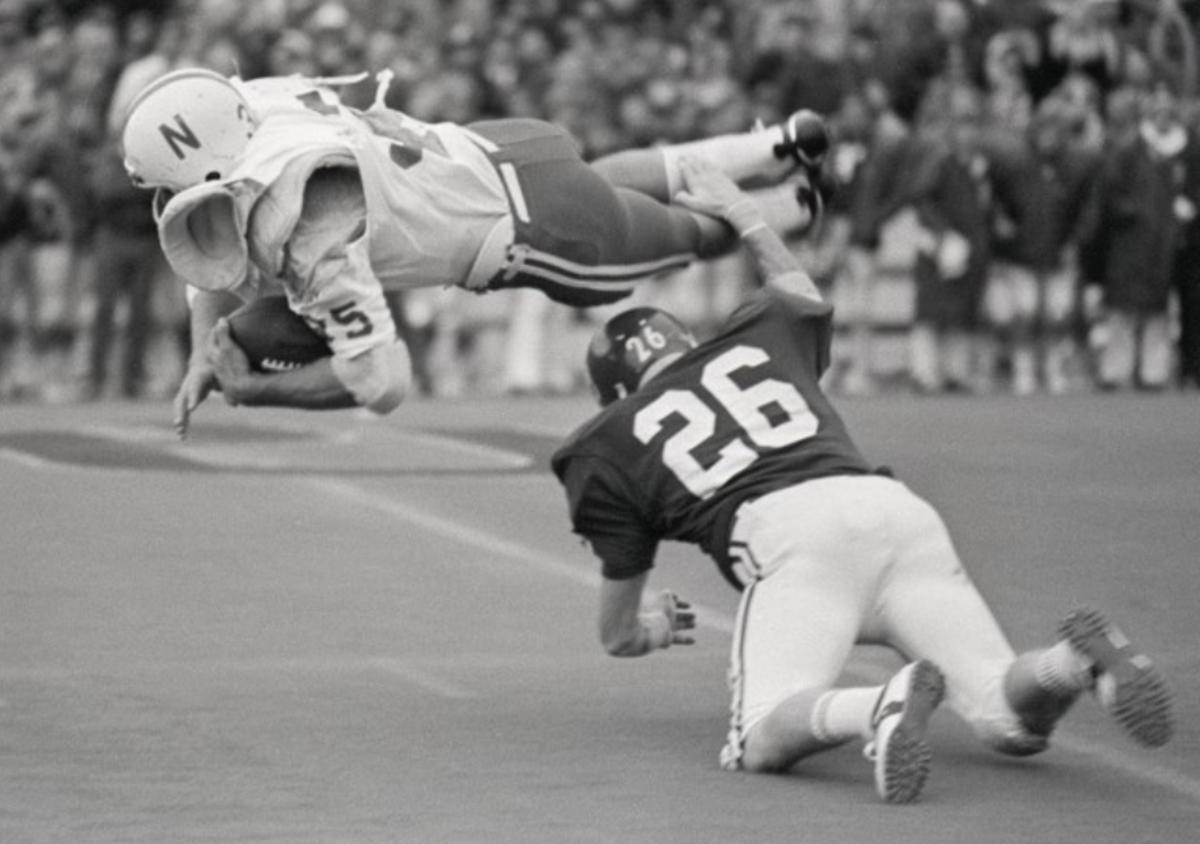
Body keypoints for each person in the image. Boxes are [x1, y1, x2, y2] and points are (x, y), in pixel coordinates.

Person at [549, 157, 1174, 804]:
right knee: (1007, 720)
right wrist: (743, 212)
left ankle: (877, 706)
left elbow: (616, 633)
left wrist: (653, 628)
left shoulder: (605, 444)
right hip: (891, 511)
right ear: (685, 341)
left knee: (759, 735)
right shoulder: (758, 336)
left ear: (614, 394)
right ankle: (1074, 664)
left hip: (793, 540)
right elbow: (798, 288)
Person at [118, 68, 827, 437]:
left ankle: (792, 206)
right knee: (602, 178)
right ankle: (775, 145)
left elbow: (383, 380)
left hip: (533, 233)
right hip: (498, 144)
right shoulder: (256, 107)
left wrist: (255, 388)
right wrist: (200, 352)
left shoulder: (307, 230)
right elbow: (215, 227)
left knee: (688, 235)